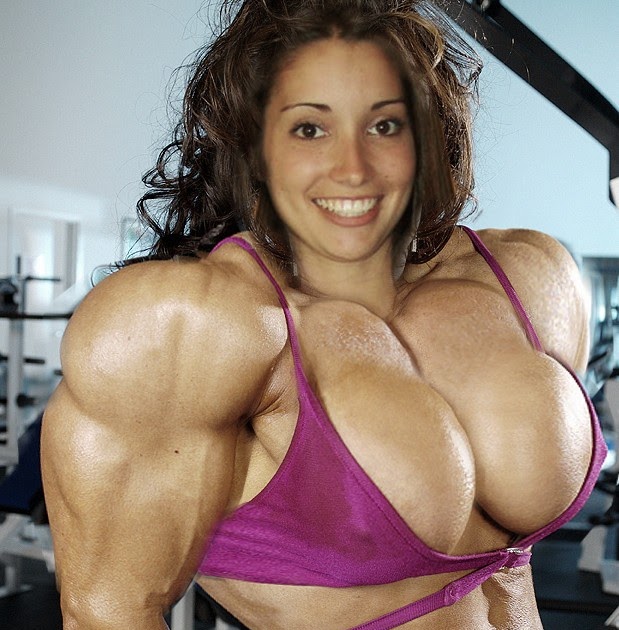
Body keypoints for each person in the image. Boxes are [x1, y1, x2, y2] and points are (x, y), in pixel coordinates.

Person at [40, 1, 606, 628]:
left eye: (385, 123)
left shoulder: (529, 273)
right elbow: (106, 613)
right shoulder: (186, 325)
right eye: (309, 128)